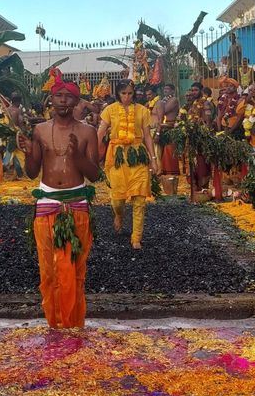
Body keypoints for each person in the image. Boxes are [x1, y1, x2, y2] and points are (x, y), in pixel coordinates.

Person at [17, 74, 99, 328]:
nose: (63, 101)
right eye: (58, 96)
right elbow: (32, 172)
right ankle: (54, 323)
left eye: (68, 97)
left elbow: (94, 174)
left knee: (75, 270)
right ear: (50, 99)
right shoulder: (40, 130)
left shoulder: (88, 131)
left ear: (76, 101)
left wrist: (77, 157)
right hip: (47, 203)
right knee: (49, 271)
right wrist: (28, 152)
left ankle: (73, 324)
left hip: (76, 203)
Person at [98, 80, 159, 249]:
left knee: (139, 199)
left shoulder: (142, 111)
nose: (127, 97)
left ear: (134, 94)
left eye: (130, 93)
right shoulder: (109, 110)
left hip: (138, 156)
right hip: (117, 156)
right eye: (123, 93)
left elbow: (147, 136)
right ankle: (119, 215)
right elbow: (100, 133)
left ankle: (136, 237)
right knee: (118, 199)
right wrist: (92, 154)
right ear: (118, 94)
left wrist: (154, 160)